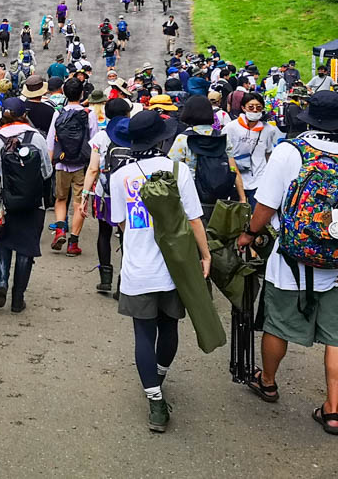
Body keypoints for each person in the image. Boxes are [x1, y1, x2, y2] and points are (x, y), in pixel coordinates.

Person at [237, 91, 338, 437]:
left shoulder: (290, 151)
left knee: (277, 326)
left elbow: (266, 206)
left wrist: (248, 234)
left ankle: (268, 382)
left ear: (308, 119)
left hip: (290, 261)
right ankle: (332, 412)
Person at [109, 111, 210, 433]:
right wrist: (205, 256)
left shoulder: (119, 176)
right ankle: (159, 376)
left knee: (142, 333)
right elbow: (194, 219)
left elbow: (120, 223)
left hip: (138, 267)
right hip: (174, 267)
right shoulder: (178, 170)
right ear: (161, 139)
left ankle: (155, 403)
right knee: (169, 327)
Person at [0, 98, 51, 312]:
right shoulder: (36, 137)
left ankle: (2, 282)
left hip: (4, 201)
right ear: (23, 114)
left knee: (3, 241)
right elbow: (47, 171)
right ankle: (18, 299)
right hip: (33, 202)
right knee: (26, 247)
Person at [80, 97, 133, 294]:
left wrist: (85, 195)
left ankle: (105, 278)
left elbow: (93, 169)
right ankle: (123, 282)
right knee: (126, 235)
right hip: (130, 192)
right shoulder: (134, 134)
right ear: (128, 114)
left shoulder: (101, 137)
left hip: (105, 194)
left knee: (104, 233)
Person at [46, 78, 98, 255]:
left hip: (62, 163)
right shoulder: (88, 113)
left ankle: (60, 230)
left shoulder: (58, 113)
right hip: (82, 165)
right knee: (79, 203)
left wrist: (49, 165)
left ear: (64, 92)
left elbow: (51, 142)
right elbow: (94, 141)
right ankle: (73, 243)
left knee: (60, 199)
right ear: (82, 93)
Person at [223, 92, 280, 206]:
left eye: (258, 107)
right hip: (235, 178)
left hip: (259, 178)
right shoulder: (231, 128)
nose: (255, 110)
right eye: (251, 107)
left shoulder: (269, 129)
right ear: (243, 108)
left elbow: (268, 153)